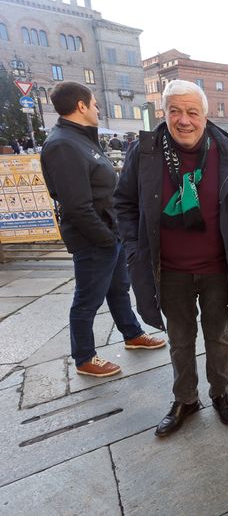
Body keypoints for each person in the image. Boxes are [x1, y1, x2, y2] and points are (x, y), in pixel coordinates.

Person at [114, 80, 228, 436]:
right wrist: (134, 249)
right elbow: (124, 204)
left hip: (217, 268)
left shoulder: (225, 149)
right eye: (175, 111)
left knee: (218, 337)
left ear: (205, 116)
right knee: (180, 340)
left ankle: (221, 394)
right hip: (170, 270)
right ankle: (185, 399)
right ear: (163, 113)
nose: (184, 120)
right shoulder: (144, 152)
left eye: (192, 112)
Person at [40, 81, 165, 378]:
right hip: (94, 238)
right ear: (81, 106)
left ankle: (132, 334)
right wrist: (107, 240)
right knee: (87, 299)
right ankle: (84, 357)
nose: (98, 108)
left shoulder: (81, 138)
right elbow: (76, 205)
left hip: (110, 232)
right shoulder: (63, 145)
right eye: (94, 103)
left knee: (119, 289)